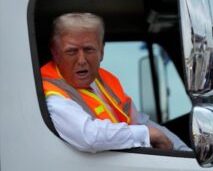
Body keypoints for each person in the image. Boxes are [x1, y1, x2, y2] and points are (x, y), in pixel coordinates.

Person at [41, 12, 190, 153]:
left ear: (102, 52)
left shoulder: (103, 80)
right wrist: (145, 135)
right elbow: (89, 136)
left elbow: (140, 121)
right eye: (71, 51)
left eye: (89, 50)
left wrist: (184, 153)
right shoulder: (51, 93)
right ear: (55, 53)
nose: (81, 60)